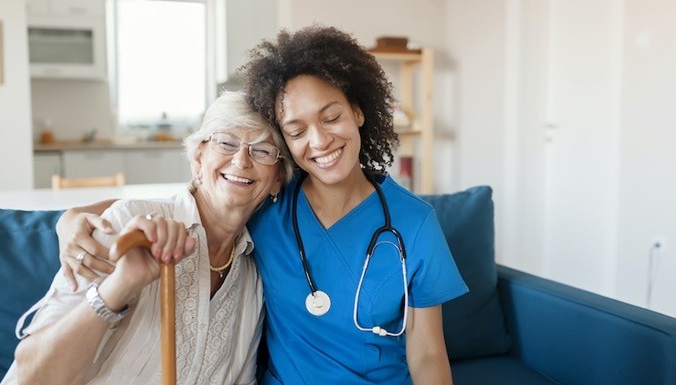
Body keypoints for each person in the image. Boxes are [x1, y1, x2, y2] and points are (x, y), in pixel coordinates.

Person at [53, 25, 468, 385]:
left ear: (358, 111)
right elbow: (188, 201)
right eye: (297, 129)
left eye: (331, 117)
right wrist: (72, 217)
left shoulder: (414, 224)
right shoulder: (269, 203)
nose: (320, 141)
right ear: (285, 143)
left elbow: (428, 354)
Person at [2, 90, 292, 385]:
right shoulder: (127, 224)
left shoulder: (253, 279)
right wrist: (121, 284)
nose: (241, 160)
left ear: (278, 178)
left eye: (262, 150)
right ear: (198, 158)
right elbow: (30, 376)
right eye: (226, 142)